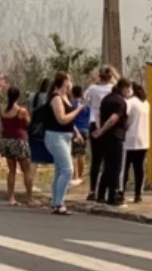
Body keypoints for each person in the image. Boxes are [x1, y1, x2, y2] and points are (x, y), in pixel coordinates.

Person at [46, 72, 85, 215]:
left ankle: (56, 201)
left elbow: (68, 120)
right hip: (55, 137)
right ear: (63, 82)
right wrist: (78, 110)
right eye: (69, 80)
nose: (71, 83)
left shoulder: (66, 97)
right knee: (68, 170)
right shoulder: (56, 98)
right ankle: (59, 202)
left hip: (66, 136)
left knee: (59, 170)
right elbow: (62, 119)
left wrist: (76, 132)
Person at [92, 78, 131, 207]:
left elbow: (97, 113)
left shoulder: (107, 98)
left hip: (105, 138)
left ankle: (101, 194)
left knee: (107, 166)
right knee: (116, 167)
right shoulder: (120, 102)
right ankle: (112, 196)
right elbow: (114, 118)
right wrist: (103, 129)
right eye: (128, 89)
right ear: (124, 88)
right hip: (115, 137)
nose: (129, 92)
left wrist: (99, 129)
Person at [83, 65, 117, 201]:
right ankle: (107, 188)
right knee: (109, 159)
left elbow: (85, 100)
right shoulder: (113, 89)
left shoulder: (93, 88)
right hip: (108, 124)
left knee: (96, 160)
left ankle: (92, 190)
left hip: (93, 123)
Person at [0, 86, 34, 206]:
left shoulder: (3, 110)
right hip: (19, 141)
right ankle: (29, 198)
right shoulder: (21, 111)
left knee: (11, 170)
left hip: (7, 141)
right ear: (18, 96)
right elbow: (29, 125)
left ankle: (10, 197)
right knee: (27, 170)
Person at [121, 82, 151, 203]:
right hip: (143, 139)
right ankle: (138, 194)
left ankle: (121, 191)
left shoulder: (130, 102)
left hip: (130, 139)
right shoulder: (146, 103)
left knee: (125, 168)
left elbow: (124, 118)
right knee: (139, 168)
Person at [69, 84, 90, 186]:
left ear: (72, 93)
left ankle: (75, 175)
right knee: (82, 153)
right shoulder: (86, 105)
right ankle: (80, 176)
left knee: (73, 154)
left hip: (74, 130)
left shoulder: (71, 104)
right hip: (85, 130)